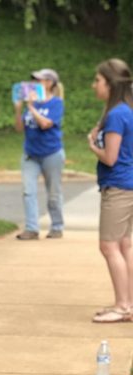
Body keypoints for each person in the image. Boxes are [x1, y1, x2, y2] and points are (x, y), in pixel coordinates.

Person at [88, 59, 133, 324]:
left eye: (98, 80)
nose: (95, 85)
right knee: (125, 244)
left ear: (110, 84)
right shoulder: (124, 110)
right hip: (127, 185)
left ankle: (122, 305)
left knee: (108, 245)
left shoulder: (117, 114)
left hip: (118, 186)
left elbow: (110, 157)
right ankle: (127, 304)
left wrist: (92, 145)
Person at [14, 68, 66, 240]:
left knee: (53, 193)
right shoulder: (31, 103)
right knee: (28, 190)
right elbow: (19, 128)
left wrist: (30, 106)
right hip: (30, 154)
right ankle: (31, 228)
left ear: (49, 83)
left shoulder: (56, 103)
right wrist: (18, 109)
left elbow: (45, 124)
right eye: (34, 80)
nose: (35, 83)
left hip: (52, 153)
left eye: (39, 80)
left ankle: (57, 226)